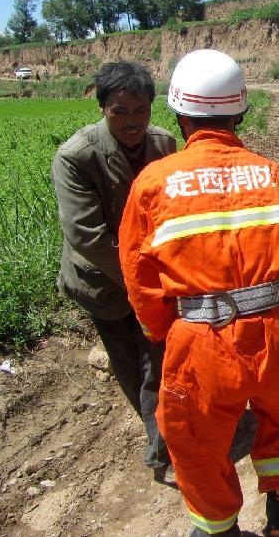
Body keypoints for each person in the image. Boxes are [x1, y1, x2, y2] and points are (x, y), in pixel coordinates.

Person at [119, 49, 279, 537]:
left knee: (195, 443)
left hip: (203, 338)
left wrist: (164, 331)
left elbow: (140, 278)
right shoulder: (274, 175)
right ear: (239, 111)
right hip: (278, 331)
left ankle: (219, 529)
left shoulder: (154, 184)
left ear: (179, 113)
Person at [51, 61, 176, 483]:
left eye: (140, 110)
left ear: (151, 108)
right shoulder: (76, 156)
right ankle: (159, 440)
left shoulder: (164, 145)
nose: (131, 121)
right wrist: (140, 278)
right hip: (103, 282)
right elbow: (86, 235)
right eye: (119, 111)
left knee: (158, 362)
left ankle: (165, 450)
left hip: (155, 280)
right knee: (128, 363)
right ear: (102, 107)